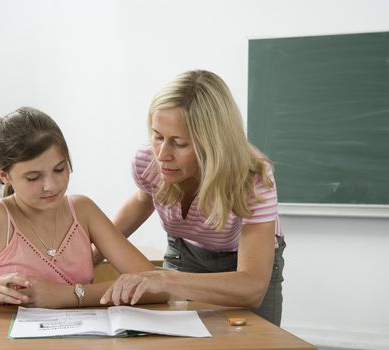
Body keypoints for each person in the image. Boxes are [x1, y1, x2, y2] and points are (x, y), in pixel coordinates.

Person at [0, 107, 167, 310]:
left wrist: (72, 295)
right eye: (33, 177)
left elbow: (157, 287)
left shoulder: (83, 210)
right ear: (4, 176)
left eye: (60, 169)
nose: (51, 186)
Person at [98, 70, 286, 326]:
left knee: (256, 340)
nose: (162, 154)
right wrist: (88, 256)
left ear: (213, 143)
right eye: (157, 136)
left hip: (242, 262)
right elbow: (143, 202)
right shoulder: (148, 161)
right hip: (185, 252)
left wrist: (164, 278)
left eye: (179, 143)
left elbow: (252, 287)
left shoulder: (252, 177)